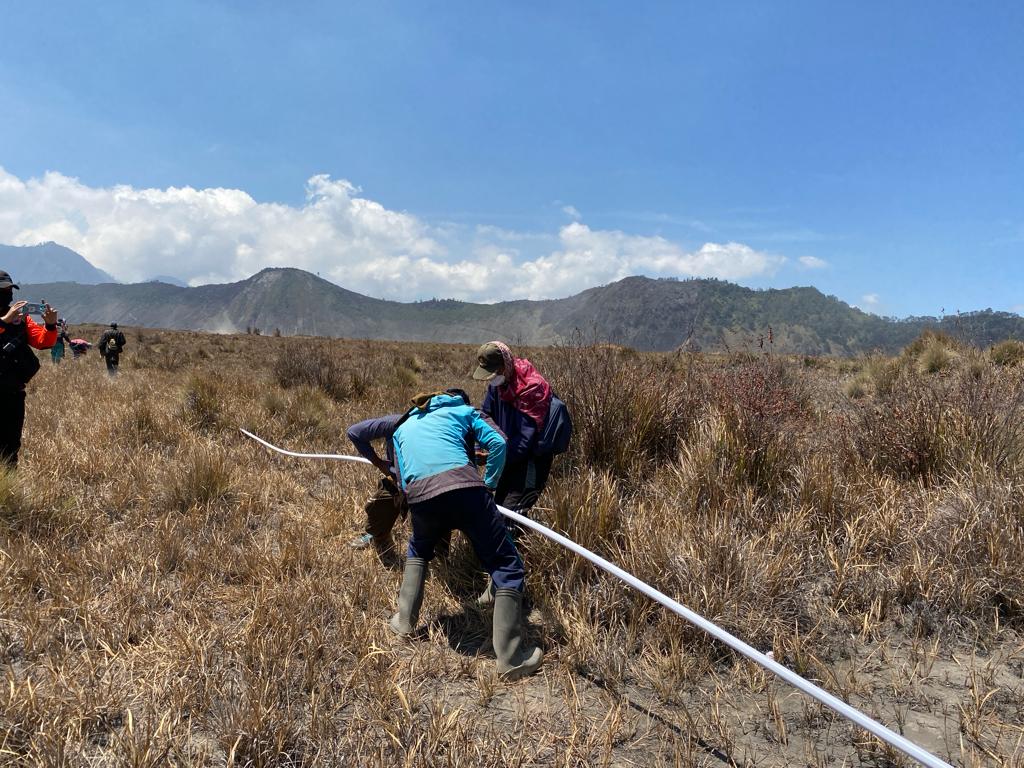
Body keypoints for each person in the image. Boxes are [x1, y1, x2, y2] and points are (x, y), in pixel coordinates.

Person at [386, 389, 543, 681]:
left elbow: (401, 475)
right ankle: (511, 658)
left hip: (420, 496)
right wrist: (489, 484)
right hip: (467, 490)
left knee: (419, 549)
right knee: (506, 564)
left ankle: (404, 623)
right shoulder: (465, 411)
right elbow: (498, 443)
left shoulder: (403, 426)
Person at [471, 341, 555, 524]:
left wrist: (496, 456)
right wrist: (478, 445)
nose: (492, 379)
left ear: (505, 365)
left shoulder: (531, 389)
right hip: (507, 459)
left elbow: (525, 441)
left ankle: (518, 551)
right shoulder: (498, 385)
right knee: (497, 510)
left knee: (509, 516)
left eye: (494, 373)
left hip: (529, 464)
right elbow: (485, 416)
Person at [0, 270, 58, 468]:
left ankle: (7, 489)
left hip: (13, 394)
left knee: (10, 446)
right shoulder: (10, 317)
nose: (8, 293)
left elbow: (42, 342)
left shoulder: (22, 319)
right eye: (3, 289)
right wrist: (3, 322)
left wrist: (50, 326)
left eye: (10, 289)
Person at [346, 411, 409, 563]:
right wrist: (379, 463)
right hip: (397, 478)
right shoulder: (396, 423)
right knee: (380, 508)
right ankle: (376, 535)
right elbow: (354, 432)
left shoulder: (456, 425)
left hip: (431, 482)